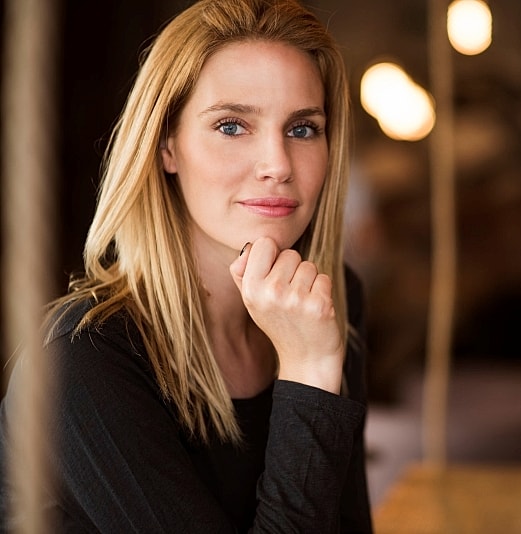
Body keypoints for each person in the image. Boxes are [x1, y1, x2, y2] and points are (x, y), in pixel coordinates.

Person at [0, 0, 374, 531]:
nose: (277, 165)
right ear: (166, 144)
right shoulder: (81, 363)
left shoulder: (326, 299)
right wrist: (310, 374)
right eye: (231, 126)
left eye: (302, 129)